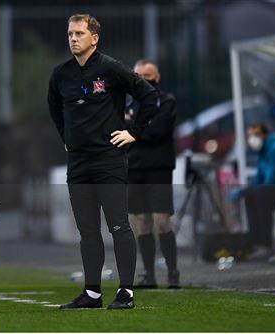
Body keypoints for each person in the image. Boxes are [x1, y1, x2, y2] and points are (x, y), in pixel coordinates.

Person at [48, 14, 158, 310]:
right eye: (70, 33)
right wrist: (67, 138)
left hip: (109, 160)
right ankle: (92, 294)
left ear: (94, 38)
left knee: (119, 227)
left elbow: (149, 97)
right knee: (87, 231)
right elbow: (54, 109)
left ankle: (126, 292)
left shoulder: (111, 69)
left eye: (80, 33)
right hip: (78, 163)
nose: (73, 38)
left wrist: (134, 132)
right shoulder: (61, 74)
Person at [125, 59, 180, 289]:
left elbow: (159, 130)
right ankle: (149, 275)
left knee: (162, 220)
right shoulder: (126, 104)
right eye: (139, 76)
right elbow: (119, 130)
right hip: (134, 168)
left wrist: (134, 127)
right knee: (142, 221)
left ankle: (172, 273)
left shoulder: (167, 101)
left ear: (157, 78)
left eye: (148, 75)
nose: (144, 80)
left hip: (159, 168)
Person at [230, 124, 275, 259]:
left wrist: (246, 191)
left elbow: (270, 180)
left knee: (261, 193)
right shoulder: (263, 151)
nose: (252, 139)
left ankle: (267, 245)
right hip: (271, 190)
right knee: (250, 196)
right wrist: (244, 191)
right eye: (249, 135)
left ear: (265, 135)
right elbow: (258, 179)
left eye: (255, 135)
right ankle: (258, 244)